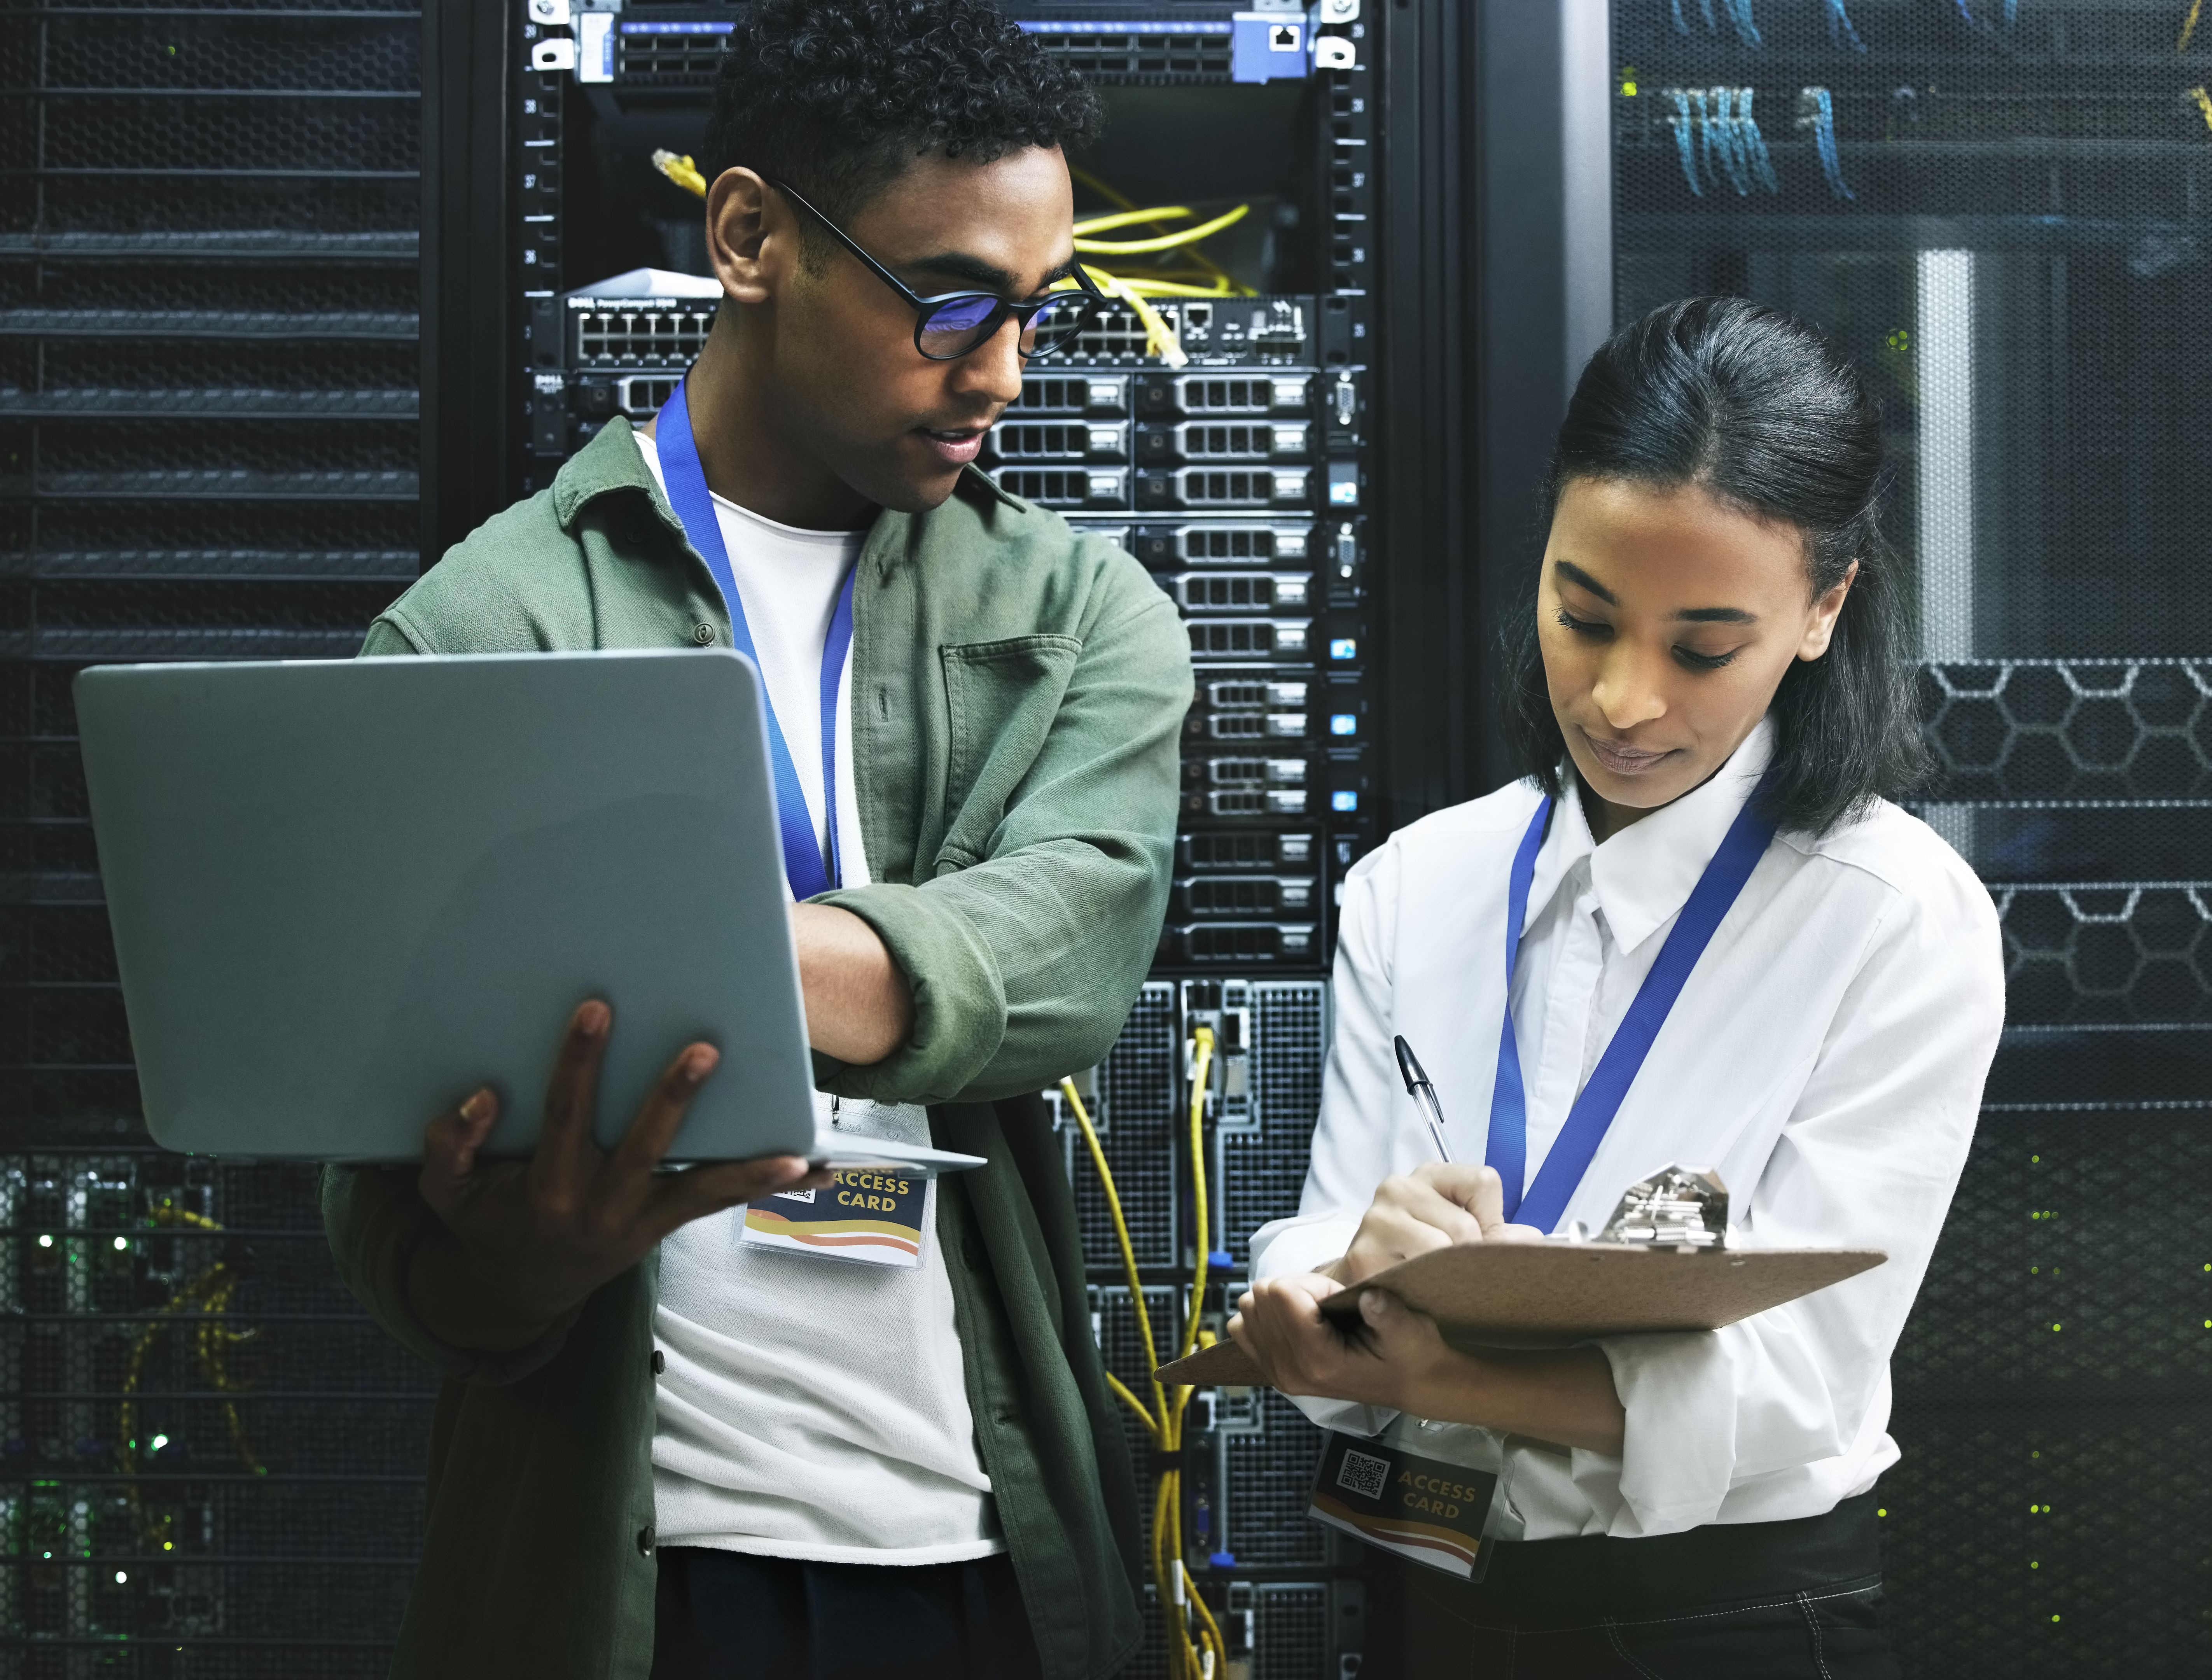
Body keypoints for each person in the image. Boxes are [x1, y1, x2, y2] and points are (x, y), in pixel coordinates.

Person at [321, 4, 1191, 1675]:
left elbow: (1073, 943)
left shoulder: (1079, 616)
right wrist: (522, 1264)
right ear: (750, 236)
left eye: (1031, 312)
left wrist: (662, 952)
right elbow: (390, 1231)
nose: (999, 372)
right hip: (636, 1583)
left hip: (982, 1551)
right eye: (951, 302)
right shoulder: (479, 631)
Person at [1229, 297, 2004, 1676]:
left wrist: (1442, 1375)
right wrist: (1345, 1273)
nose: (1620, 700)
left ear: (1823, 611)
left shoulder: (1894, 919)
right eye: (1581, 616)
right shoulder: (1418, 884)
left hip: (1731, 1619)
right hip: (1440, 1599)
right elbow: (1310, 1239)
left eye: (1703, 647)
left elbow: (1801, 1381)